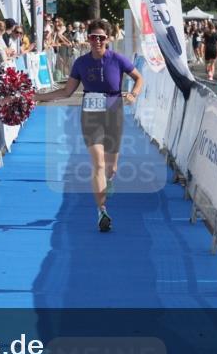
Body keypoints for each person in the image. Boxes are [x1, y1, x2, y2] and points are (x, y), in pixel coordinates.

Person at [35, 19, 143, 233]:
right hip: (90, 115)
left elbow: (139, 78)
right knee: (99, 164)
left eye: (101, 37)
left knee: (111, 167)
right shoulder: (81, 63)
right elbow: (66, 92)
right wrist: (38, 96)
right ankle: (101, 210)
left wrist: (133, 94)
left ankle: (109, 180)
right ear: (88, 39)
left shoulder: (118, 59)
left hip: (113, 111)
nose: (97, 41)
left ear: (108, 39)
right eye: (93, 37)